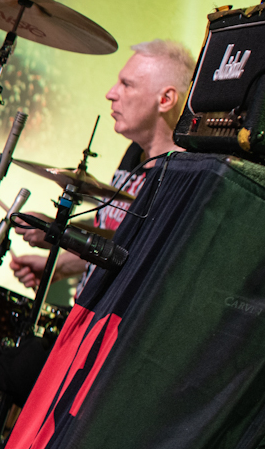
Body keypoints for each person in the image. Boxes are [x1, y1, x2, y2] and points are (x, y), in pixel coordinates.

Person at [10, 39, 195, 294]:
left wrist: (58, 232)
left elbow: (137, 256)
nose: (111, 93)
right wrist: (58, 267)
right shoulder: (136, 153)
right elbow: (113, 238)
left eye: (126, 85)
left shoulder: (181, 176)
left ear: (165, 99)